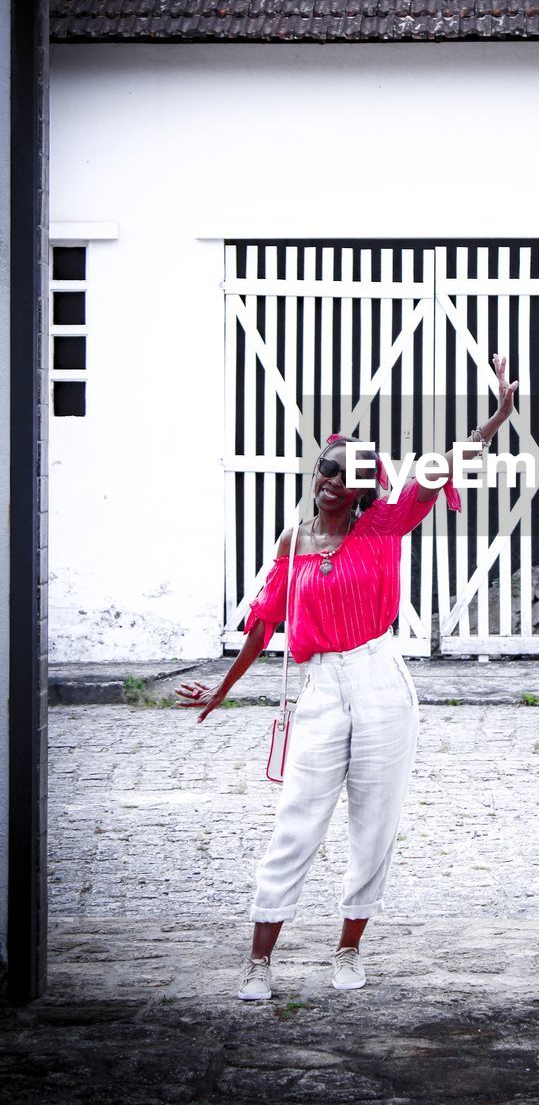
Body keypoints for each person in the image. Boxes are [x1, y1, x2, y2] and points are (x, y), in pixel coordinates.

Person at [177, 354, 518, 1000]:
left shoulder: (386, 525)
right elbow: (262, 623)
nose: (328, 479)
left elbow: (446, 462)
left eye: (343, 473)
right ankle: (259, 959)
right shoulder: (294, 541)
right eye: (323, 468)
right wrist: (224, 689)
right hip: (322, 688)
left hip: (381, 680)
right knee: (297, 820)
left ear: (364, 485)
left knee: (374, 821)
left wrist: (496, 418)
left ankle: (348, 948)